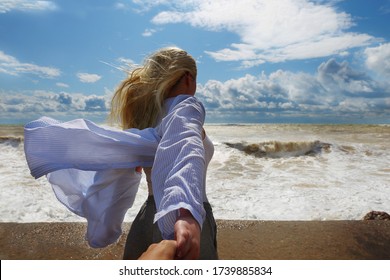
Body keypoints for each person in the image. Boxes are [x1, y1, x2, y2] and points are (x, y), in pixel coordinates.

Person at [23, 47, 218, 260]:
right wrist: (185, 211)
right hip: (184, 218)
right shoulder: (186, 107)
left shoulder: (146, 124)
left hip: (146, 220)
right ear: (189, 78)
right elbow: (184, 146)